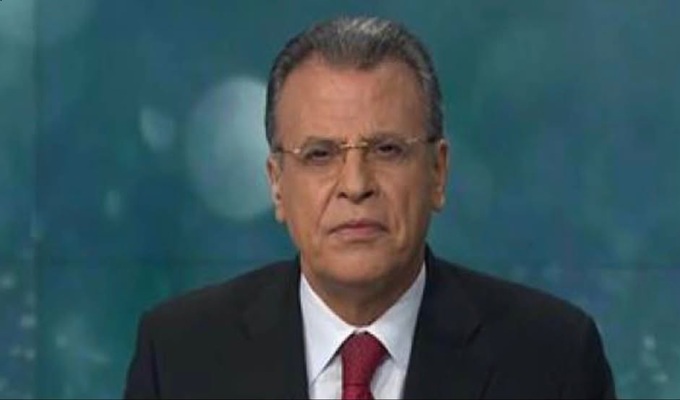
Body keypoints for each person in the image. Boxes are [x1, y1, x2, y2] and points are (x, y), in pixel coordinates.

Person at [124, 16, 616, 399]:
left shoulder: (554, 359)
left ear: (438, 172)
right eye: (320, 155)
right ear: (276, 185)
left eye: (387, 150)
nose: (356, 186)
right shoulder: (177, 356)